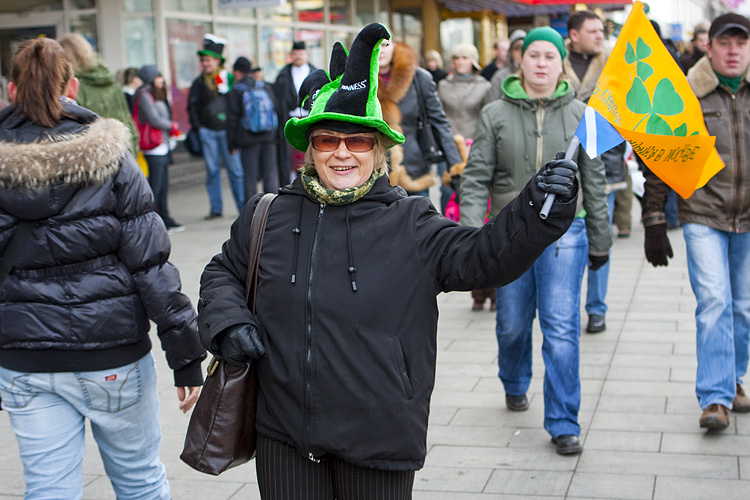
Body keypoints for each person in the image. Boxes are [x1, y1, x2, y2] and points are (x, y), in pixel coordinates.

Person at [197, 23, 578, 498]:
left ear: (378, 151)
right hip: (284, 433)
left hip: (378, 435)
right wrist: (227, 323)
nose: (340, 152)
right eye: (326, 139)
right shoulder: (267, 212)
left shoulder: (411, 220)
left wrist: (538, 209)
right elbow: (223, 272)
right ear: (309, 149)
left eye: (356, 141)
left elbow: (483, 258)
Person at [0, 38, 205, 499]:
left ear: (12, 90)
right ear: (73, 86)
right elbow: (150, 262)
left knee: (48, 489)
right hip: (111, 352)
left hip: (23, 356)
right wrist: (186, 356)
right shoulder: (111, 157)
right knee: (139, 482)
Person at [459, 27, 611, 455]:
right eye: (534, 55)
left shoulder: (583, 113)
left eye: (551, 55)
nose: (541, 63)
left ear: (561, 62)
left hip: (568, 232)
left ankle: (564, 421)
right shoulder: (494, 114)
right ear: (519, 60)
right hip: (509, 232)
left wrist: (600, 241)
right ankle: (513, 379)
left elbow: (594, 182)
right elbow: (474, 181)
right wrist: (471, 241)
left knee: (561, 329)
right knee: (511, 324)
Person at [641, 13, 750, 431]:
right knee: (715, 302)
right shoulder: (687, 94)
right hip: (703, 212)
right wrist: (653, 218)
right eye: (725, 43)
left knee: (742, 307)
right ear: (710, 47)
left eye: (741, 43)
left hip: (748, 218)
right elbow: (660, 156)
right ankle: (716, 398)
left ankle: (734, 379)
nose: (734, 50)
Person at [562, 10, 627, 334]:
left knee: (599, 238)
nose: (600, 35)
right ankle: (565, 305)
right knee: (563, 243)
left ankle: (597, 308)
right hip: (562, 170)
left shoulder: (614, 70)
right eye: (593, 30)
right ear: (574, 35)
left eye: (603, 30)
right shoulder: (553, 64)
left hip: (604, 167)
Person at [437, 43, 492, 311]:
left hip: (475, 148)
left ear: (473, 60)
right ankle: (453, 253)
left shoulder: (484, 86)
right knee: (449, 203)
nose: (459, 61)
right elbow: (438, 117)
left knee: (477, 206)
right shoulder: (443, 86)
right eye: (455, 57)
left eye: (464, 57)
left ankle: (485, 283)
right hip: (449, 151)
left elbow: (489, 118)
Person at [377, 35, 462, 196]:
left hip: (414, 169)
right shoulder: (360, 81)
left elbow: (439, 123)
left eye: (385, 45)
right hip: (375, 174)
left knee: (419, 220)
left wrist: (455, 169)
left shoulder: (419, 78)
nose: (380, 51)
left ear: (395, 45)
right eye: (374, 45)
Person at [188, 34, 246, 220]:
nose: (204, 63)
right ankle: (216, 209)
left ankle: (243, 208)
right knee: (212, 171)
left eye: (208, 60)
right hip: (208, 132)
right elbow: (192, 106)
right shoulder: (198, 82)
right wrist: (199, 128)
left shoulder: (229, 79)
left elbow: (237, 105)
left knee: (235, 171)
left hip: (227, 133)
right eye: (203, 60)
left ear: (217, 61)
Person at [58, 33, 139, 156]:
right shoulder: (111, 82)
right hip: (124, 152)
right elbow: (127, 120)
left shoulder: (73, 87)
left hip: (95, 157)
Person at [135, 65, 183, 233]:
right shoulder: (144, 95)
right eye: (158, 77)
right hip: (153, 147)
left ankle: (165, 218)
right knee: (155, 186)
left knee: (163, 185)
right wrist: (171, 125)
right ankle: (154, 221)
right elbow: (153, 118)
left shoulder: (156, 94)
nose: (161, 80)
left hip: (163, 144)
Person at [228, 56, 279, 199]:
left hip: (248, 139)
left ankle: (251, 215)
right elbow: (276, 110)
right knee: (270, 178)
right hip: (269, 138)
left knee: (250, 179)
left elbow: (232, 119)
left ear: (237, 72)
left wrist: (231, 143)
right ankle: (273, 212)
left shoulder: (237, 90)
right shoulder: (264, 86)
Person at [274, 41, 317, 187]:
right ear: (291, 55)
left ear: (306, 55)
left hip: (309, 121)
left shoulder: (315, 73)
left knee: (308, 156)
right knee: (289, 160)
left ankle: (311, 185)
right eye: (295, 54)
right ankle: (290, 187)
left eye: (301, 54)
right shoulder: (283, 75)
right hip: (289, 121)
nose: (298, 57)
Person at [489, 29, 526, 101]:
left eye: (524, 48)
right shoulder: (500, 77)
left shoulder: (536, 74)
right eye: (517, 48)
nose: (521, 52)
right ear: (511, 52)